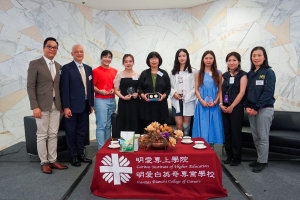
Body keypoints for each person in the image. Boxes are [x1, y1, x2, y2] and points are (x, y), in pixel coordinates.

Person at [27, 37, 68, 174]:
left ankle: (53, 160)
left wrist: (61, 106)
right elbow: (30, 86)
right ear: (44, 48)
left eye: (54, 47)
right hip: (41, 105)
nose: (52, 49)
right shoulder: (35, 64)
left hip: (56, 106)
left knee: (53, 134)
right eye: (49, 47)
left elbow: (60, 88)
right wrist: (34, 106)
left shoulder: (59, 67)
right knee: (42, 135)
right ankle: (44, 162)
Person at [60, 44, 94, 167]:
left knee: (82, 131)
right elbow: (64, 89)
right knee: (71, 131)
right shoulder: (67, 68)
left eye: (81, 51)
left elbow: (90, 89)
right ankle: (72, 156)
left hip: (85, 105)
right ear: (72, 54)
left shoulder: (88, 69)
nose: (79, 53)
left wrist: (91, 104)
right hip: (72, 107)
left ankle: (80, 153)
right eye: (76, 52)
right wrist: (66, 107)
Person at [245, 46, 276, 173]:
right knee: (256, 136)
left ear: (264, 57)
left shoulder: (268, 72)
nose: (256, 58)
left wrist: (256, 107)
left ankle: (263, 161)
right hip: (251, 110)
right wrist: (247, 106)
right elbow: (247, 92)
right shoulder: (250, 74)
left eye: (259, 55)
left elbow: (268, 92)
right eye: (254, 55)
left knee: (263, 137)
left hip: (264, 109)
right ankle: (259, 158)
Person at [220, 52, 247, 166]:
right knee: (227, 132)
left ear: (239, 62)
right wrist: (221, 103)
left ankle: (236, 157)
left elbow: (241, 93)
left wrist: (232, 106)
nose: (231, 62)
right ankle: (229, 155)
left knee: (235, 132)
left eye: (234, 60)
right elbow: (220, 90)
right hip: (224, 106)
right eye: (229, 60)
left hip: (236, 107)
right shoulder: (224, 75)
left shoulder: (243, 75)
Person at [192, 50, 224, 146]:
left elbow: (220, 90)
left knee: (213, 128)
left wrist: (215, 102)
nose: (208, 60)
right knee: (203, 127)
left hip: (214, 104)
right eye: (206, 58)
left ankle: (212, 152)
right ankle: (201, 152)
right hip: (202, 105)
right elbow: (196, 89)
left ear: (214, 60)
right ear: (203, 60)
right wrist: (201, 101)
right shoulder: (198, 73)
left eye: (210, 58)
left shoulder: (218, 73)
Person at [138, 51, 171, 129]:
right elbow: (139, 88)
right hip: (146, 107)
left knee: (160, 132)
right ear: (148, 61)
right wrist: (143, 95)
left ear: (159, 60)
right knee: (147, 132)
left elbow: (168, 88)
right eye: (151, 58)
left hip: (161, 107)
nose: (154, 60)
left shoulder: (164, 73)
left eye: (156, 58)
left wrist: (163, 95)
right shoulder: (144, 73)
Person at [93, 50, 117, 149]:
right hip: (101, 100)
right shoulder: (95, 71)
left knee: (108, 126)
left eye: (109, 57)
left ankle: (107, 148)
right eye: (105, 57)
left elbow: (117, 86)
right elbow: (92, 86)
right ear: (101, 58)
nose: (107, 59)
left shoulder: (115, 71)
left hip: (112, 100)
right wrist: (100, 91)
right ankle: (101, 149)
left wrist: (113, 90)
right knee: (101, 126)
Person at [169, 49, 197, 136]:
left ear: (187, 57)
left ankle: (186, 143)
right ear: (177, 58)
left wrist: (187, 96)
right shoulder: (173, 72)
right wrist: (174, 93)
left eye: (184, 56)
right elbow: (168, 86)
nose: (182, 58)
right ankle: (180, 145)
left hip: (188, 100)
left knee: (186, 125)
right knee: (179, 125)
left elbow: (196, 87)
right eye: (179, 56)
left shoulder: (193, 71)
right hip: (176, 101)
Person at [114, 54, 140, 136]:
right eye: (126, 62)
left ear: (133, 62)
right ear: (123, 63)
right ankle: (124, 145)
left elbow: (140, 88)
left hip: (135, 103)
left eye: (130, 61)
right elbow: (116, 90)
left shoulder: (138, 74)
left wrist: (138, 94)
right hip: (123, 102)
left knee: (135, 122)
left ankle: (136, 145)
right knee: (123, 122)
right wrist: (123, 97)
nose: (128, 63)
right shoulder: (119, 74)